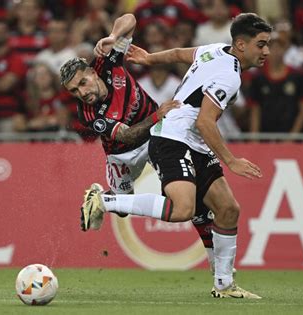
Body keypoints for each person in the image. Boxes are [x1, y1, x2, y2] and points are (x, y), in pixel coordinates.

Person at [84, 12, 271, 298]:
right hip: (172, 139)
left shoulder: (216, 50)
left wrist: (149, 58)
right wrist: (231, 161)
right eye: (261, 44)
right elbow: (205, 122)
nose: (266, 51)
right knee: (182, 209)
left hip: (192, 142)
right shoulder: (229, 77)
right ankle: (104, 201)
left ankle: (224, 285)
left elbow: (182, 53)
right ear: (242, 45)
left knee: (228, 210)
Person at [60, 14, 219, 274]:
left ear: (91, 71)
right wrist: (157, 114)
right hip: (122, 156)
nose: (82, 93)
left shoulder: (107, 62)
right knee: (123, 206)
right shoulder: (88, 114)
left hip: (157, 137)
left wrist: (112, 35)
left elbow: (130, 19)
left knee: (191, 201)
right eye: (74, 91)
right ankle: (102, 198)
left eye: (83, 83)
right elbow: (126, 137)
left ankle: (216, 267)